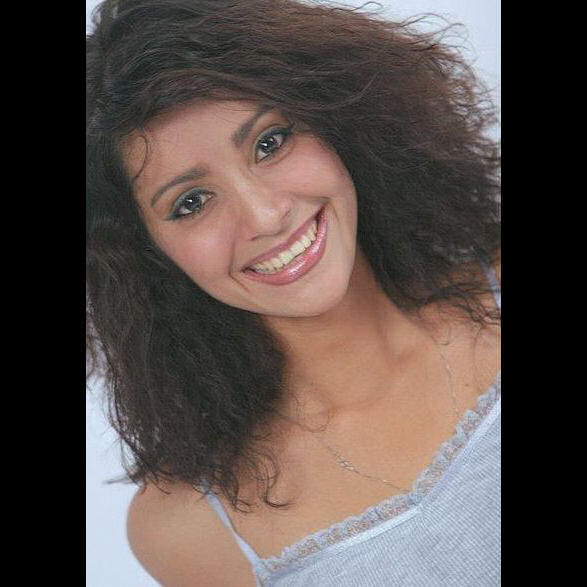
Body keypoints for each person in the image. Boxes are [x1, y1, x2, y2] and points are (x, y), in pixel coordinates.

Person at [86, 0, 501, 584]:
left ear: (337, 122)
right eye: (191, 202)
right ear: (144, 255)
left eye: (269, 143)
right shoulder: (189, 530)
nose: (265, 215)